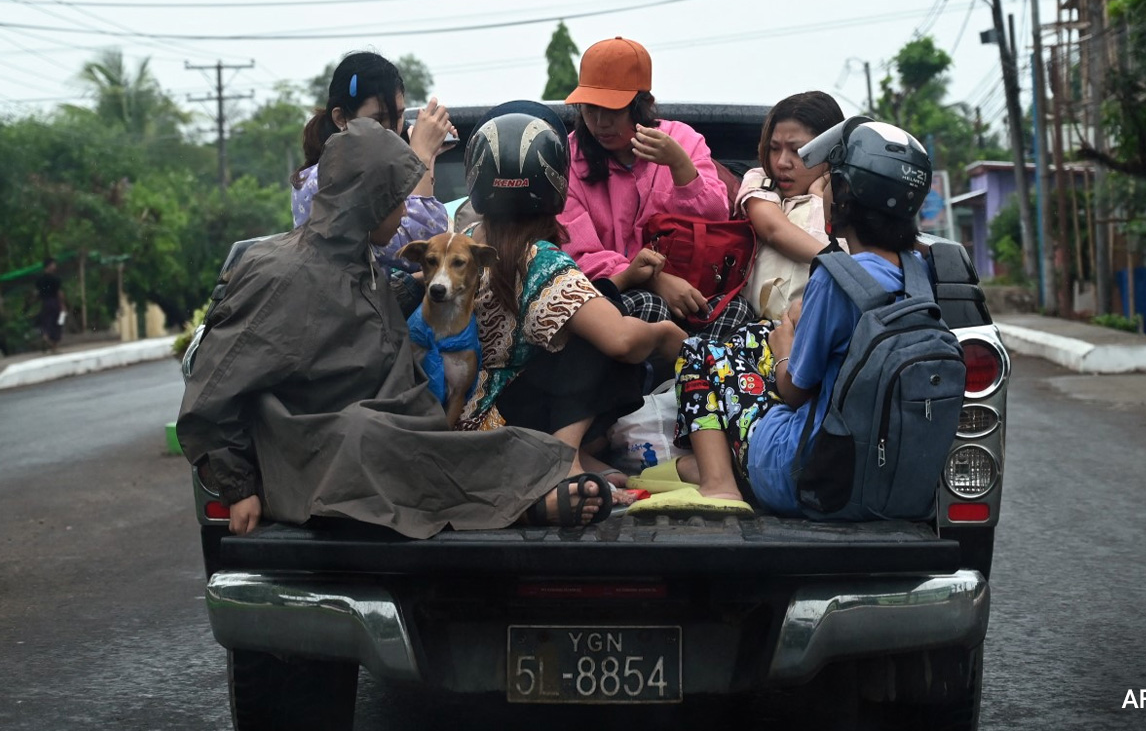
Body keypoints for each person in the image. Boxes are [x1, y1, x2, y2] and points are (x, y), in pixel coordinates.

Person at [178, 118, 609, 538]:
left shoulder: (360, 265)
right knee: (375, 440)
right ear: (372, 202)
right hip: (321, 450)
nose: (405, 211)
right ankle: (525, 507)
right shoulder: (280, 273)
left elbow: (361, 319)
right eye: (398, 200)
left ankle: (533, 481)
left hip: (390, 425)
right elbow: (214, 389)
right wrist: (238, 489)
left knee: (487, 440)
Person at [650, 118, 934, 515]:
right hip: (886, 479)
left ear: (847, 195)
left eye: (833, 179)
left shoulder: (837, 279)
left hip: (801, 475)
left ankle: (720, 483)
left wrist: (785, 347)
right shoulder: (923, 272)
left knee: (700, 351)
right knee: (756, 334)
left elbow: (793, 390)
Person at [455, 102, 687, 483]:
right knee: (603, 330)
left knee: (598, 304)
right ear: (555, 180)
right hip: (507, 426)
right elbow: (622, 342)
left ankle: (580, 456)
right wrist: (664, 334)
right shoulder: (539, 260)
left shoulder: (464, 245)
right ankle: (565, 457)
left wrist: (623, 279)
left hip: (470, 417)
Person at [559, 37, 752, 340]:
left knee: (738, 312)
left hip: (694, 288)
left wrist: (680, 166)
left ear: (643, 106)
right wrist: (654, 281)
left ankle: (698, 379)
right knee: (648, 309)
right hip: (617, 291)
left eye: (612, 111)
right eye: (589, 109)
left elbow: (717, 215)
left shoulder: (682, 140)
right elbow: (578, 253)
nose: (599, 123)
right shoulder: (568, 158)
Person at [291, 52, 455, 311]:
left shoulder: (371, 170)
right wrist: (420, 156)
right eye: (378, 120)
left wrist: (423, 157)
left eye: (398, 117)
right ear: (341, 119)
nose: (391, 131)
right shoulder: (321, 180)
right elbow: (422, 246)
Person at [737, 91, 845, 272]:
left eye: (798, 150)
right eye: (774, 148)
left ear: (831, 151)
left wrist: (819, 195)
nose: (781, 162)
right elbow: (773, 230)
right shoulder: (759, 180)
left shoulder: (852, 195)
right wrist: (846, 268)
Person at [36, 258, 66, 354]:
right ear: (49, 266)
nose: (55, 266)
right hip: (55, 303)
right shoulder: (55, 279)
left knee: (47, 321)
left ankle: (45, 337)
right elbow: (59, 293)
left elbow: (37, 293)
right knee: (58, 323)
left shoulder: (39, 280)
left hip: (45, 303)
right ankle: (54, 347)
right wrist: (62, 304)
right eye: (54, 264)